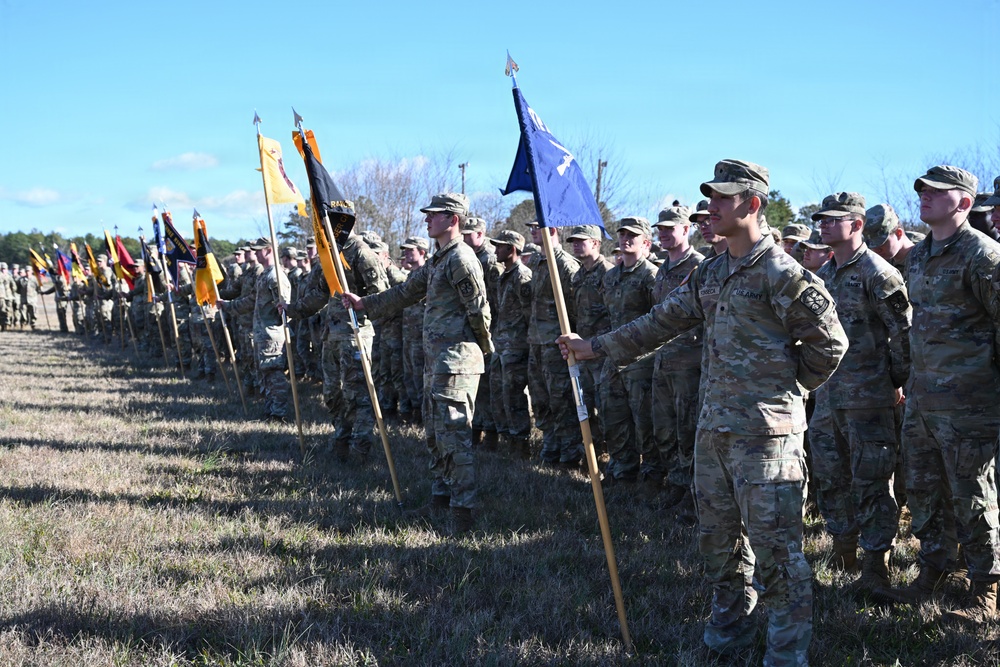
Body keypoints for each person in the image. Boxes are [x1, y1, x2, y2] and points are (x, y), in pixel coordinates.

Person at [558, 159, 847, 665]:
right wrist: (595, 346)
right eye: (709, 197)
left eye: (721, 198)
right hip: (713, 431)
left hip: (766, 438)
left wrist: (784, 388)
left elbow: (831, 345)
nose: (709, 208)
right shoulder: (712, 272)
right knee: (719, 544)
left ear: (751, 204)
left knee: (777, 553)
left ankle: (785, 652)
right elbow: (659, 322)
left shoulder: (782, 274)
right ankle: (729, 630)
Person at [881, 166, 1000, 624]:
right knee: (925, 491)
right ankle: (934, 569)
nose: (924, 196)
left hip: (971, 403)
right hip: (924, 399)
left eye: (936, 191)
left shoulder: (983, 256)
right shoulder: (917, 256)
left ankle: (985, 589)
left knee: (972, 496)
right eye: (922, 191)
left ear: (965, 202)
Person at [342, 193, 492, 534]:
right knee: (435, 435)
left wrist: (479, 351)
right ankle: (440, 499)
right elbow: (407, 292)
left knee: (454, 437)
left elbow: (480, 311)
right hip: (437, 363)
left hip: (456, 364)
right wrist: (364, 303)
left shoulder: (462, 260)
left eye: (433, 215)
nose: (426, 220)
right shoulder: (440, 259)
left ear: (452, 219)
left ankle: (462, 513)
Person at [808, 192, 911, 595]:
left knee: (871, 482)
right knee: (831, 477)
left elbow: (902, 335)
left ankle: (875, 566)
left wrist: (895, 382)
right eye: (822, 219)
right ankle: (842, 547)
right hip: (828, 396)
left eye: (834, 220)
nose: (824, 225)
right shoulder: (825, 274)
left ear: (856, 225)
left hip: (868, 397)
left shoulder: (878, 273)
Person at [646, 205, 705, 518]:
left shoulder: (700, 267)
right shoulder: (662, 268)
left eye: (671, 228)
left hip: (689, 362)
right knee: (664, 428)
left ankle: (690, 490)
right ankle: (675, 482)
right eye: (661, 229)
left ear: (687, 230)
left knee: (687, 429)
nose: (664, 233)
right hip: (662, 360)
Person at [600, 216, 658, 486]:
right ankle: (622, 468)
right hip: (613, 358)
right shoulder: (610, 276)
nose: (625, 239)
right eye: (622, 234)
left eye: (632, 235)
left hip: (641, 360)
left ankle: (651, 474)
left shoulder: (651, 275)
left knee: (644, 421)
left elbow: (659, 320)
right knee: (613, 415)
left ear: (646, 242)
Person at [526, 221, 581, 467]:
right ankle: (550, 446)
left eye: (538, 226)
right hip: (537, 342)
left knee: (561, 401)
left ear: (553, 230)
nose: (533, 231)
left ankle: (569, 453)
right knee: (541, 400)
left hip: (556, 345)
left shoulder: (566, 265)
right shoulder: (538, 264)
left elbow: (577, 308)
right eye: (531, 227)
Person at [220, 237, 291, 422]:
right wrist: (227, 305)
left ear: (268, 250)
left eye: (259, 250)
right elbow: (251, 301)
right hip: (262, 332)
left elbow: (285, 308)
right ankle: (270, 409)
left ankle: (279, 413)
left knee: (274, 374)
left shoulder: (276, 276)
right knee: (265, 373)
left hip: (272, 334)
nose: (256, 253)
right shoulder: (265, 275)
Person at [568, 224, 614, 456]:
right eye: (573, 241)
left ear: (596, 243)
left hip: (602, 350)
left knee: (606, 406)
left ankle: (608, 452)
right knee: (584, 403)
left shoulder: (608, 272)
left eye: (581, 240)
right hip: (582, 348)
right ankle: (591, 451)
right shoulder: (578, 274)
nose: (576, 244)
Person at [489, 229, 533, 459]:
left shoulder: (522, 276)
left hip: (517, 346)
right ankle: (507, 437)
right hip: (501, 344)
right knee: (499, 393)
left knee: (513, 395)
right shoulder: (504, 274)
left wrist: (525, 343)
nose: (496, 250)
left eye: (500, 246)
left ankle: (520, 443)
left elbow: (529, 314)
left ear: (512, 249)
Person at [462, 216, 502, 449]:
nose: (465, 238)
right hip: (475, 328)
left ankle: (491, 433)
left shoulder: (490, 261)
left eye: (469, 234)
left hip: (489, 328)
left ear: (480, 234)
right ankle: (476, 428)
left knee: (488, 386)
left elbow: (495, 301)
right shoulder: (471, 257)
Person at [863, 204, 916, 272]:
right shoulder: (881, 266)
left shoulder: (925, 260)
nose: (876, 249)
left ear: (898, 233)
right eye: (871, 244)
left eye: (880, 243)